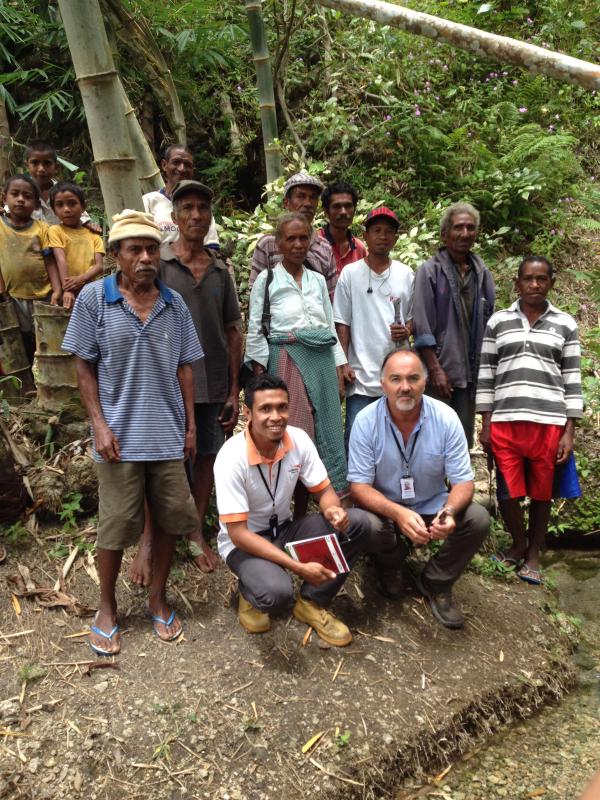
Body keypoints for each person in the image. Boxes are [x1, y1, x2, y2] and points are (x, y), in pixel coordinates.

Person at [62, 210, 205, 656]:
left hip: (165, 432)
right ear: (117, 256)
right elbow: (82, 365)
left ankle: (157, 599)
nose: (145, 257)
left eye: (150, 249)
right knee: (115, 525)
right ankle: (106, 607)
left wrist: (190, 425)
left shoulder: (173, 304)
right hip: (118, 437)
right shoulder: (92, 300)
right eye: (134, 250)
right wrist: (98, 425)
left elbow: (185, 368)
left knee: (166, 521)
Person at [129, 180, 241, 585]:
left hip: (210, 383)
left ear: (209, 218)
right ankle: (147, 537)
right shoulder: (158, 266)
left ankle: (193, 528)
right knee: (159, 460)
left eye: (202, 209)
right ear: (173, 218)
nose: (196, 215)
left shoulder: (219, 270)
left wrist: (233, 390)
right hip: (163, 383)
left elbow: (232, 331)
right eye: (187, 208)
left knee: (206, 457)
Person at [214, 373, 370, 646]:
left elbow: (324, 493)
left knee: (358, 522)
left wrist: (334, 511)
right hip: (245, 543)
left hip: (284, 530)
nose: (276, 417)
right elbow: (237, 534)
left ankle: (311, 602)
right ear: (248, 413)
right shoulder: (231, 457)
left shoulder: (297, 440)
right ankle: (249, 590)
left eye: (282, 407)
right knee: (276, 594)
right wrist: (297, 566)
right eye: (265, 409)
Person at [348, 350, 489, 625]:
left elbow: (463, 481)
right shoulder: (365, 421)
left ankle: (436, 580)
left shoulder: (446, 418)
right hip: (387, 510)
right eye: (396, 379)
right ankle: (391, 565)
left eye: (413, 378)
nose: (405, 387)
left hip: (432, 505)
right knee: (361, 522)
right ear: (382, 384)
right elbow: (359, 487)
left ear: (424, 382)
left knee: (478, 518)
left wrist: (448, 512)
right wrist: (398, 514)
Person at [476, 256, 583, 585]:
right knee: (508, 491)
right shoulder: (498, 322)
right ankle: (518, 542)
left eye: (541, 279)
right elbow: (486, 374)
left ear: (551, 282)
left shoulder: (565, 324)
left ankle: (533, 554)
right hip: (506, 420)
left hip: (548, 421)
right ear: (517, 283)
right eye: (528, 279)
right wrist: (486, 422)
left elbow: (572, 379)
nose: (534, 285)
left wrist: (569, 431)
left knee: (541, 493)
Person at [246, 212, 348, 504]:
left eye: (304, 237)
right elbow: (256, 329)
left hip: (322, 360)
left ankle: (321, 502)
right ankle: (287, 506)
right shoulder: (267, 281)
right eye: (290, 238)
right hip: (286, 358)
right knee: (294, 431)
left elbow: (329, 327)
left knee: (326, 429)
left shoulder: (317, 280)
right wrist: (259, 377)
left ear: (312, 240)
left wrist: (339, 367)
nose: (298, 244)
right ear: (278, 243)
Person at [412, 202, 495, 447]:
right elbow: (422, 324)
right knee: (432, 440)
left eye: (470, 228)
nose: (465, 234)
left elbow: (489, 319)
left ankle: (457, 487)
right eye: (458, 227)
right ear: (444, 234)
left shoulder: (482, 273)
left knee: (460, 441)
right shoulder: (429, 271)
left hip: (470, 374)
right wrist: (435, 369)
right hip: (440, 372)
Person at [333, 206, 414, 448]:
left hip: (397, 376)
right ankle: (355, 487)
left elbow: (414, 317)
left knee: (397, 443)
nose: (383, 236)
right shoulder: (350, 273)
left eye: (389, 232)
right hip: (360, 377)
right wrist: (344, 363)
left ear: (396, 238)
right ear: (365, 236)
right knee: (358, 441)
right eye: (376, 230)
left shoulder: (406, 274)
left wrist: (408, 329)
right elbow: (342, 322)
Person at [249, 171, 337, 300]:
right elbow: (256, 296)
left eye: (313, 197)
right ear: (286, 203)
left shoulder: (324, 248)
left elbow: (331, 299)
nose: (308, 203)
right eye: (301, 196)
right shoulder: (267, 244)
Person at [0, 174, 61, 361]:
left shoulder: (42, 228)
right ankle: (26, 383)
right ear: (5, 198)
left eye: (27, 196)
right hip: (13, 295)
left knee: (45, 338)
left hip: (43, 295)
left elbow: (50, 261)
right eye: (15, 194)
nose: (20, 199)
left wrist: (57, 289)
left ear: (36, 204)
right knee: (19, 338)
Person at [142, 144, 219, 247]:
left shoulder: (200, 206)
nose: (182, 168)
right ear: (164, 165)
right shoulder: (149, 201)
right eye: (176, 162)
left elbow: (211, 246)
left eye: (187, 164)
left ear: (193, 170)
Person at [48, 182, 104, 309]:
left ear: (83, 206)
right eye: (60, 205)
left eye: (72, 203)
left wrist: (81, 279)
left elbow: (99, 266)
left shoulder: (94, 234)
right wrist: (67, 289)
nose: (66, 209)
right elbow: (60, 259)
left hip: (92, 291)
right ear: (54, 210)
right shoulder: (55, 231)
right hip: (69, 291)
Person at [24, 140, 94, 229]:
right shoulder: (21, 193)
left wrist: (88, 225)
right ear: (27, 166)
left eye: (47, 163)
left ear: (56, 167)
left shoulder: (65, 191)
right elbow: (9, 215)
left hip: (63, 241)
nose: (41, 169)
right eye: (35, 163)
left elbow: (83, 218)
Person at [319, 181, 366, 274]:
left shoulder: (360, 249)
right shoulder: (315, 243)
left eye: (348, 206)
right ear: (326, 212)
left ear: (354, 209)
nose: (343, 212)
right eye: (337, 206)